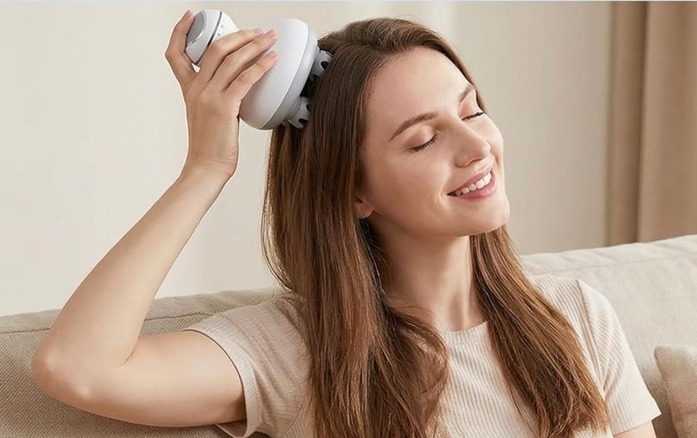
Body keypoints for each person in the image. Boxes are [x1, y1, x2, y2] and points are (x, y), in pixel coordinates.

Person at [31, 9, 661, 438]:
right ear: (355, 191)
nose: (475, 148)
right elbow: (77, 368)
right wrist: (206, 168)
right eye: (422, 140)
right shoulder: (300, 348)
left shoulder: (576, 315)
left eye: (472, 111)